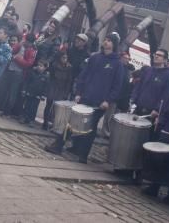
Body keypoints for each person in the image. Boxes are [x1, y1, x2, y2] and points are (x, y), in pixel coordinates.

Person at [45, 34, 124, 164]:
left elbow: (117, 85)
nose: (106, 42)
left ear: (114, 45)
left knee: (90, 128)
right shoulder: (95, 58)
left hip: (100, 102)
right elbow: (84, 75)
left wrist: (108, 100)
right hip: (86, 96)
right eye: (105, 39)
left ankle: (83, 155)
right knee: (72, 122)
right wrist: (79, 92)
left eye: (109, 41)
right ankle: (58, 145)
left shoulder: (117, 64)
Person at [0, 32, 37, 117]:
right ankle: (1, 107)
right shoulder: (20, 45)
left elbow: (28, 64)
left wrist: (17, 59)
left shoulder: (32, 50)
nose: (25, 42)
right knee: (5, 89)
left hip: (19, 73)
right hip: (10, 69)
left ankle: (7, 111)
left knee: (13, 93)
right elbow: (12, 51)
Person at [132, 47, 169, 116]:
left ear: (165, 60)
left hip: (151, 113)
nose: (156, 56)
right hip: (137, 107)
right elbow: (139, 86)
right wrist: (133, 98)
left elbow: (167, 95)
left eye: (159, 55)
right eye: (155, 54)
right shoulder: (148, 70)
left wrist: (157, 109)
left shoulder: (168, 76)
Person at [42, 50, 74, 130]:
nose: (65, 59)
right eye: (63, 57)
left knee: (57, 108)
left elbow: (69, 81)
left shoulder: (69, 68)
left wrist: (66, 92)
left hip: (62, 88)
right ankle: (45, 123)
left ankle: (53, 124)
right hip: (53, 86)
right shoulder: (54, 65)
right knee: (48, 105)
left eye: (66, 58)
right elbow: (50, 78)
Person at [19, 59, 49, 125]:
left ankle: (31, 120)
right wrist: (24, 90)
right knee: (27, 105)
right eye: (38, 65)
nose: (39, 67)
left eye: (41, 66)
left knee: (34, 108)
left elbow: (45, 87)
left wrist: (43, 95)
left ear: (45, 68)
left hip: (38, 95)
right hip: (30, 92)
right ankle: (24, 117)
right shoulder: (32, 72)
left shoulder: (46, 77)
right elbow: (26, 82)